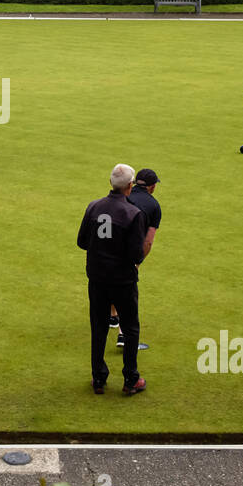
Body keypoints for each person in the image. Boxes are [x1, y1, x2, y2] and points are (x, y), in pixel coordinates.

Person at [77, 163, 147, 395]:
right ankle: (130, 379)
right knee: (130, 327)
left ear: (111, 183)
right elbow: (136, 253)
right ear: (130, 186)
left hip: (97, 278)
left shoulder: (93, 207)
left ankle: (98, 378)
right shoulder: (133, 214)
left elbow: (82, 242)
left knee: (98, 327)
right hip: (123, 281)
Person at [111, 168, 161, 347]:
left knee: (112, 282)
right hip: (131, 253)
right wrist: (138, 260)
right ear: (153, 186)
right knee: (128, 293)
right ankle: (123, 335)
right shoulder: (154, 206)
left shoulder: (122, 196)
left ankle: (112, 317)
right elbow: (148, 242)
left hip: (109, 250)